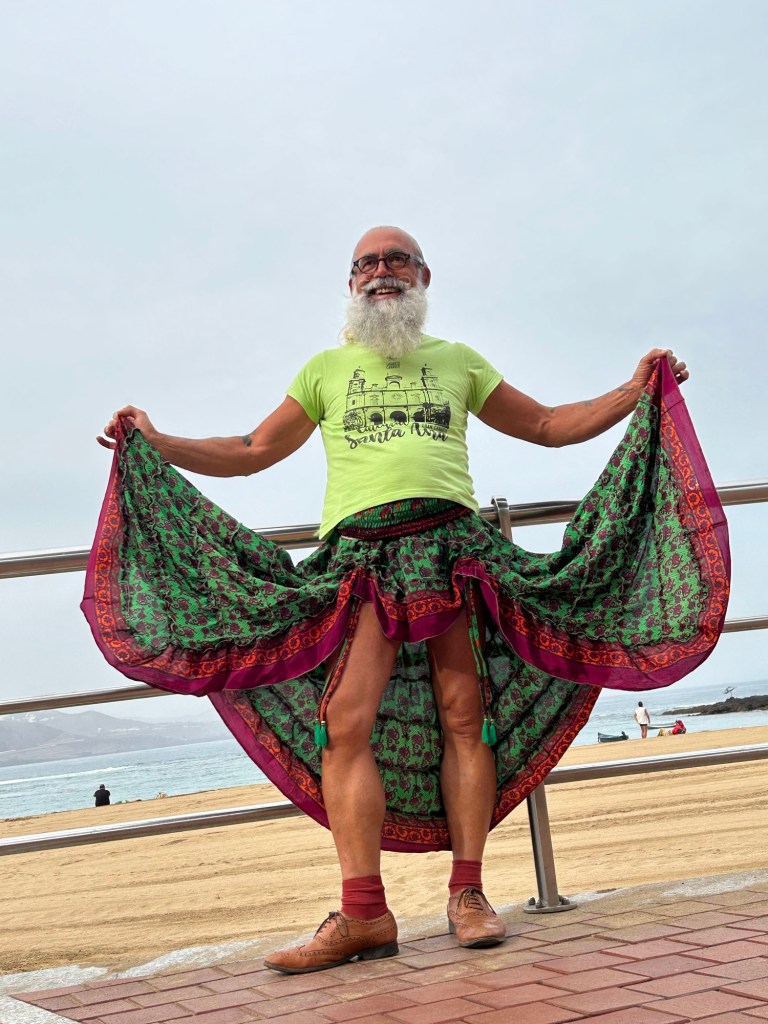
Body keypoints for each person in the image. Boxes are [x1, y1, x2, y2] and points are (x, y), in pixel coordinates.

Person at [88, 225, 728, 976]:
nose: (381, 271)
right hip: (361, 558)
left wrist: (635, 387)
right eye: (367, 263)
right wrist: (156, 440)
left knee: (465, 716)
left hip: (453, 549)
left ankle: (468, 895)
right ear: (350, 283)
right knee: (343, 724)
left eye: (397, 260)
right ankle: (364, 913)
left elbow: (548, 426)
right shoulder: (324, 370)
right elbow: (253, 451)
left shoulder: (458, 361)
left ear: (424, 276)